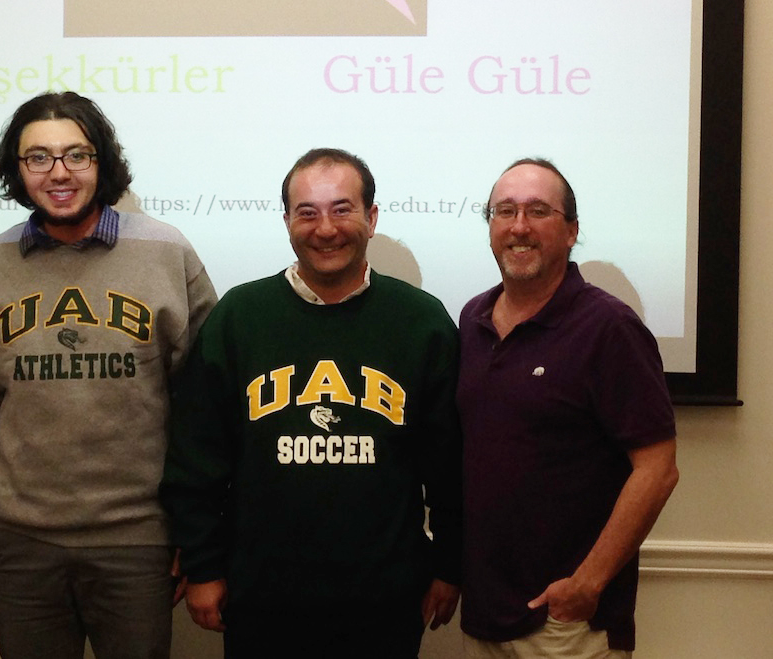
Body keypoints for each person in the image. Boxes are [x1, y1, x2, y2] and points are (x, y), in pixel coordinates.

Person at [160, 148, 462, 659]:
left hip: (384, 600)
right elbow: (195, 455)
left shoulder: (422, 322)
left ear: (371, 217)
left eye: (342, 209)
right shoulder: (239, 317)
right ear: (286, 222)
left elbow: (451, 462)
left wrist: (449, 565)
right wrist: (205, 566)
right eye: (307, 212)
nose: (326, 229)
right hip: (263, 599)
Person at [0, 91, 217, 659]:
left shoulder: (166, 252)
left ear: (102, 163)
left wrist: (195, 531)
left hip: (136, 538)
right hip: (23, 540)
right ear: (16, 168)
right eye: (38, 158)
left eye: (77, 155)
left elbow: (205, 405)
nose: (59, 173)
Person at [457, 158, 679, 658]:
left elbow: (658, 470)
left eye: (539, 211)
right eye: (504, 211)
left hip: (569, 625)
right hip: (485, 613)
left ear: (572, 230)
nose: (519, 227)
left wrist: (587, 584)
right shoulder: (472, 319)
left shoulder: (610, 328)